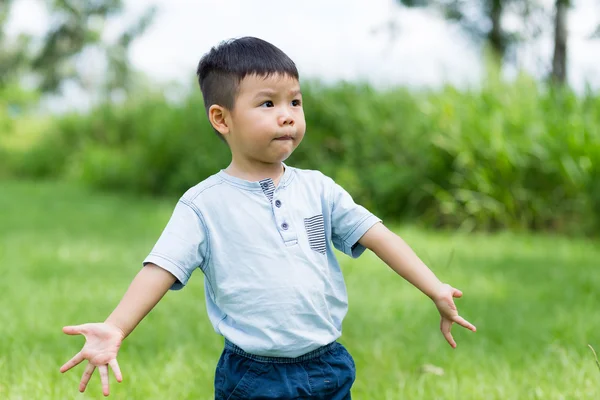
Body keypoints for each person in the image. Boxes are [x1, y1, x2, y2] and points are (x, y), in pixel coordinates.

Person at [59, 36, 476, 399]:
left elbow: (377, 235)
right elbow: (160, 268)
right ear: (222, 118)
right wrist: (115, 327)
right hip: (253, 376)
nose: (288, 114)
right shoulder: (203, 204)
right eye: (268, 103)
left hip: (328, 362)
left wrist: (434, 286)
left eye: (295, 101)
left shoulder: (319, 188)